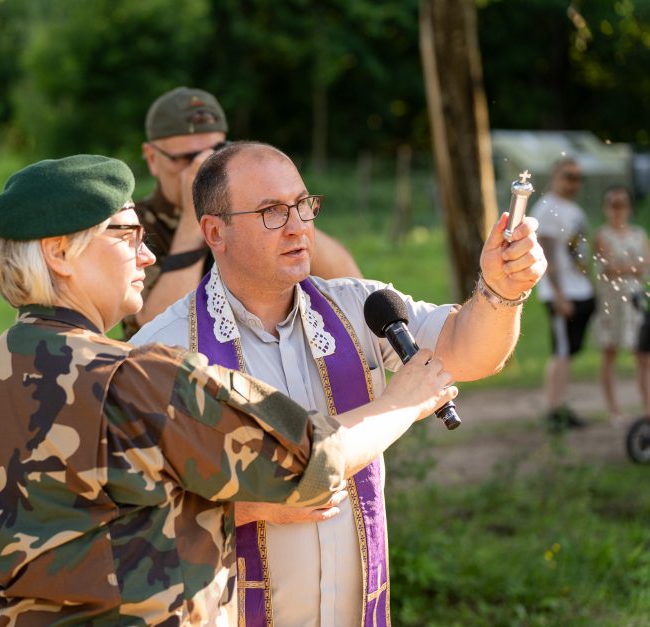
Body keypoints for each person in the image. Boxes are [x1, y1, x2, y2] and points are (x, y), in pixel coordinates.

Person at [0, 154, 459, 626]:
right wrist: (405, 399)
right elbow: (313, 462)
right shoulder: (140, 379)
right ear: (59, 252)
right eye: (128, 234)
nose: (146, 255)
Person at [131, 141, 546, 627]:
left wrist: (501, 290)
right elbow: (137, 516)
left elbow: (466, 350)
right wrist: (245, 506)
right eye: (271, 211)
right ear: (214, 232)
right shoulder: (164, 350)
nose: (298, 227)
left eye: (303, 205)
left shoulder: (360, 309)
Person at [123, 86, 362, 336]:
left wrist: (285, 208)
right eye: (186, 158)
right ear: (152, 158)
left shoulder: (246, 209)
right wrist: (194, 220)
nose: (202, 165)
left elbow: (350, 283)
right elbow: (155, 329)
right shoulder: (130, 224)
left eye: (215, 152)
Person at [529, 157, 596, 431]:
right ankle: (554, 409)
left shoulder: (575, 210)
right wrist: (558, 294)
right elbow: (546, 254)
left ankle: (560, 404)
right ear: (556, 175)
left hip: (580, 288)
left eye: (578, 177)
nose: (573, 182)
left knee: (569, 352)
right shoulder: (547, 208)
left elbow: (580, 254)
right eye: (568, 176)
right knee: (562, 351)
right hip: (563, 292)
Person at [592, 185, 650, 422]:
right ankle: (613, 409)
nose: (617, 210)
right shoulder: (602, 235)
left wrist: (625, 268)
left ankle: (647, 409)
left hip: (634, 300)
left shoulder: (639, 234)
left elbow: (644, 266)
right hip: (611, 301)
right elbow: (611, 266)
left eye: (622, 204)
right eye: (613, 205)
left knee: (643, 354)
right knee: (610, 351)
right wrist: (631, 268)